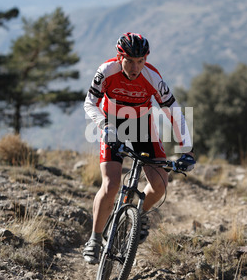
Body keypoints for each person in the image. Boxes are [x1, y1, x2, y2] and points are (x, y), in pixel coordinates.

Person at [83, 32, 195, 264]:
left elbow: (173, 111)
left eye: (141, 61)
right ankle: (94, 239)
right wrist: (104, 126)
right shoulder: (106, 71)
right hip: (112, 124)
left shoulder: (152, 77)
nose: (135, 67)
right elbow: (90, 103)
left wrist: (187, 149)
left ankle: (137, 216)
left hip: (142, 126)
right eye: (130, 61)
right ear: (119, 57)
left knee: (160, 184)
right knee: (111, 183)